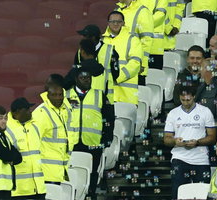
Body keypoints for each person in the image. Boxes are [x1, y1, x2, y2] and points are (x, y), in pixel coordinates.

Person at [64, 66, 113, 197]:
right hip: (71, 143)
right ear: (76, 79)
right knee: (72, 170)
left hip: (93, 142)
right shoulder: (66, 95)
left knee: (92, 171)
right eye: (83, 78)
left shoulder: (99, 95)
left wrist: (107, 137)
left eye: (88, 78)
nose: (86, 80)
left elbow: (109, 118)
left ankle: (91, 193)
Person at [164, 85, 217, 200]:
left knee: (203, 195)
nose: (185, 103)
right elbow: (166, 138)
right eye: (182, 100)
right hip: (179, 157)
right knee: (178, 193)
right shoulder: (173, 113)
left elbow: (212, 137)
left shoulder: (205, 112)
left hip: (201, 159)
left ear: (194, 97)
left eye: (188, 100)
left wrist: (197, 142)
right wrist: (175, 141)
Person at [94, 11, 143, 105]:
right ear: (108, 23)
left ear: (123, 23)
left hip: (126, 95)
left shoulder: (132, 39)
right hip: (106, 95)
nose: (115, 24)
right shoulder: (102, 40)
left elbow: (135, 64)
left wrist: (116, 77)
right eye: (112, 21)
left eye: (118, 21)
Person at [31, 75, 72, 184]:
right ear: (47, 94)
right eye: (54, 95)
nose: (58, 98)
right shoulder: (41, 113)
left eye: (60, 95)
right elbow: (32, 143)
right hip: (45, 174)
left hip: (60, 172)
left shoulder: (63, 111)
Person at [3, 97, 45, 200]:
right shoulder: (5, 130)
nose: (30, 112)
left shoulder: (35, 126)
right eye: (27, 109)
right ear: (17, 112)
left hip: (38, 187)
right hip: (18, 190)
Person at [115, 0, 153, 82]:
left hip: (136, 69)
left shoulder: (143, 12)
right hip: (117, 66)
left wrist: (142, 64)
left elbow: (146, 41)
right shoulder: (118, 11)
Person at [136, 0, 167, 72]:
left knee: (154, 79)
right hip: (136, 44)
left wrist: (143, 25)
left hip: (155, 46)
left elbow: (161, 14)